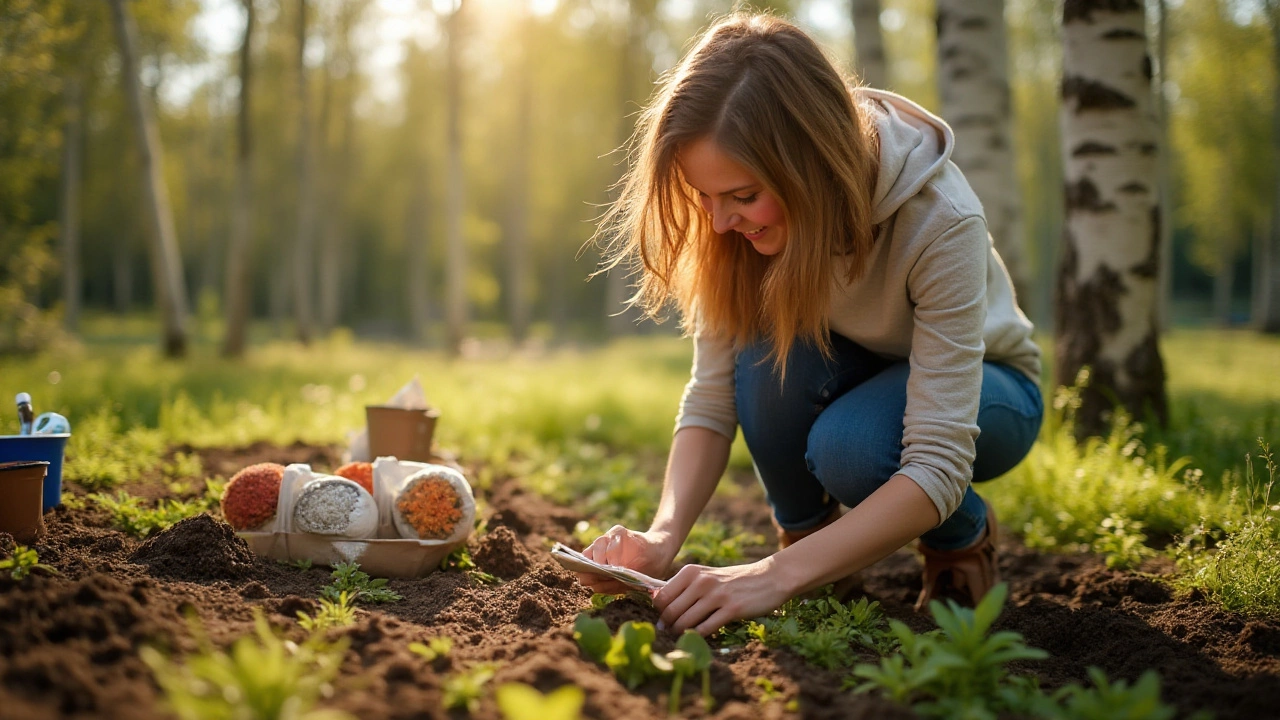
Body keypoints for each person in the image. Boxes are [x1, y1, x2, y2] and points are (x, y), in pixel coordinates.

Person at [578, 12, 1043, 637]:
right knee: (763, 363)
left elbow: (936, 459)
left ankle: (961, 540)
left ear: (810, 164)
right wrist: (661, 538)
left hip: (989, 391)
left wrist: (769, 574)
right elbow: (714, 398)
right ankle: (818, 550)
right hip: (852, 369)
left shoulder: (939, 219)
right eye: (704, 195)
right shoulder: (730, 226)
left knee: (850, 447)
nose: (718, 223)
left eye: (743, 197)